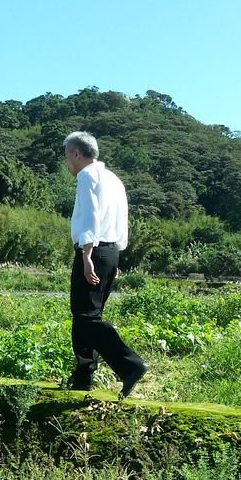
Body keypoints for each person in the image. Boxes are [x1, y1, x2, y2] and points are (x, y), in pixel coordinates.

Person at [64, 131, 147, 398]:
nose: (67, 162)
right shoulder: (113, 179)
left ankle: (130, 365)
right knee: (85, 316)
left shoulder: (87, 176)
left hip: (94, 249)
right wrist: (116, 256)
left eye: (67, 155)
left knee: (85, 316)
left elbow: (90, 217)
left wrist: (87, 255)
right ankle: (83, 377)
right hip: (110, 251)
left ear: (77, 153)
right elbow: (121, 220)